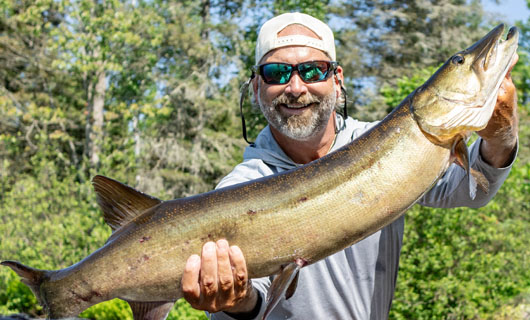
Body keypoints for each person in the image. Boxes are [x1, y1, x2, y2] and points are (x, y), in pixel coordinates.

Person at [181, 12, 519, 319]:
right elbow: (250, 300)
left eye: (313, 70)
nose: (296, 87)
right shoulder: (240, 187)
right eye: (277, 73)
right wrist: (239, 303)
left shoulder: (392, 142)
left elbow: (470, 190)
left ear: (337, 79)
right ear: (257, 88)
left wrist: (502, 135)